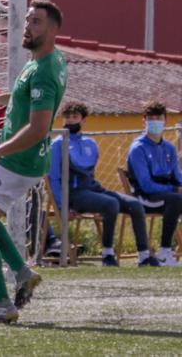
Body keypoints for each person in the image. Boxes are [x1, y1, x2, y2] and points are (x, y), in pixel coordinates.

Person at [0, 0, 66, 324]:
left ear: (53, 31)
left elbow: (38, 129)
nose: (28, 27)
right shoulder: (41, 61)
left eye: (37, 22)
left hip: (19, 160)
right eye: (28, 20)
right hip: (20, 159)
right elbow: (27, 93)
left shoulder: (46, 69)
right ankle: (22, 272)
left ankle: (2, 304)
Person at [49, 101, 158, 267]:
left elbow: (90, 175)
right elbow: (54, 178)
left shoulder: (90, 143)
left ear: (83, 120)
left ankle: (144, 256)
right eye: (67, 117)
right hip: (74, 194)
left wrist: (97, 201)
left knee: (135, 204)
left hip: (92, 190)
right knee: (110, 203)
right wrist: (61, 206)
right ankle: (107, 255)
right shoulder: (57, 143)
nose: (70, 120)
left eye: (75, 117)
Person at [125, 101, 182, 267]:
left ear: (165, 120)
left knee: (177, 198)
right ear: (144, 121)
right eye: (151, 118)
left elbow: (177, 176)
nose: (155, 122)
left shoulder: (169, 148)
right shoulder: (138, 148)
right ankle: (164, 252)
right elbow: (146, 185)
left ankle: (168, 252)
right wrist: (174, 189)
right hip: (144, 198)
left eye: (158, 118)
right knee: (176, 200)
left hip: (167, 196)